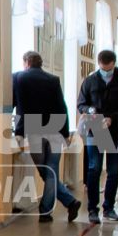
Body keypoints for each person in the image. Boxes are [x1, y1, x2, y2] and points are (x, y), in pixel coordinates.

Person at [11, 51, 80, 223]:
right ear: (41, 63)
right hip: (55, 130)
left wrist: (18, 131)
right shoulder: (53, 79)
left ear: (26, 62)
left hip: (35, 131)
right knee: (51, 169)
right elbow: (61, 107)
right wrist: (65, 133)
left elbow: (19, 106)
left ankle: (49, 210)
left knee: (46, 171)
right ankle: (66, 203)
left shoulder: (18, 78)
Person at [75, 48, 118, 222]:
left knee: (113, 170)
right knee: (94, 169)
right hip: (96, 129)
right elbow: (81, 103)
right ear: (98, 64)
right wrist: (89, 110)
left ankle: (109, 208)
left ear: (114, 65)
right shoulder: (90, 81)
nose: (106, 72)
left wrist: (112, 118)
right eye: (102, 69)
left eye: (108, 69)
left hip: (116, 131)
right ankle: (92, 209)